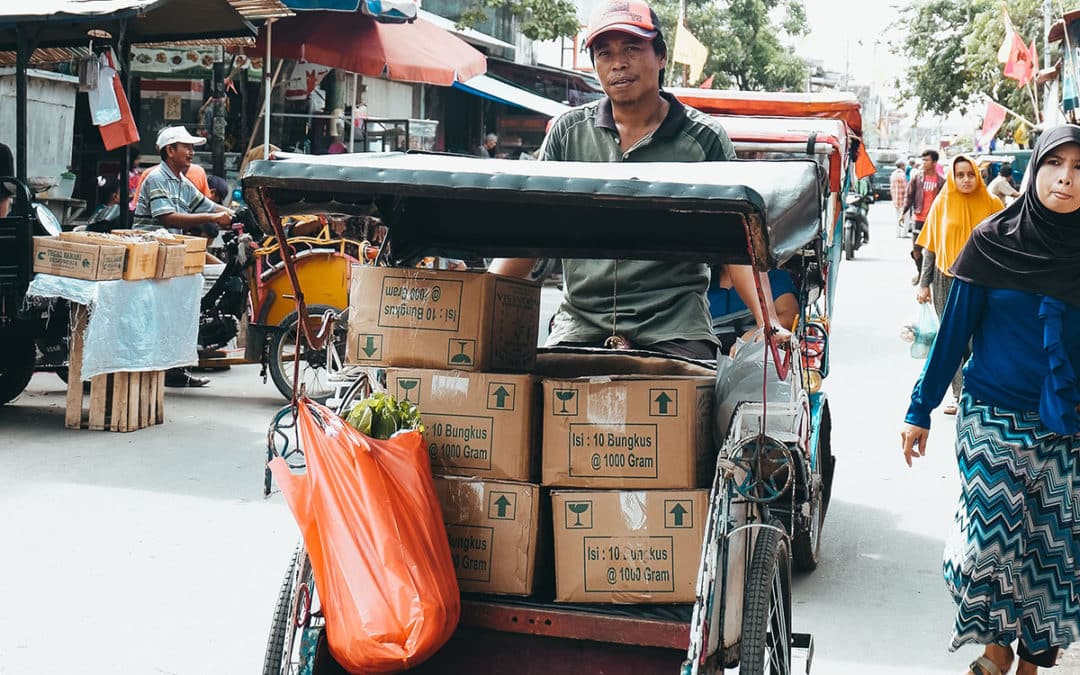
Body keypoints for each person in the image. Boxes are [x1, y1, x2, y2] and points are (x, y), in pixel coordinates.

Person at [489, 0, 786, 360]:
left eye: (631, 48)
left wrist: (769, 322)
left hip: (675, 328)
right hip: (581, 325)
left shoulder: (704, 139)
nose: (618, 63)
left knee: (703, 392)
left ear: (661, 56)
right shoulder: (568, 134)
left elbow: (738, 244)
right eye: (605, 53)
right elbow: (528, 235)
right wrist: (479, 298)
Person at [901, 125, 1080, 675]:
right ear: (1035, 169)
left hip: (1068, 427)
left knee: (1053, 550)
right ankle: (997, 647)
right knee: (991, 538)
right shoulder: (992, 241)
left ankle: (1030, 663)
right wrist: (920, 408)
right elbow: (953, 335)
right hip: (992, 415)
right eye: (1055, 164)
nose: (1066, 179)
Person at [134, 126, 234, 388]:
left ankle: (175, 370)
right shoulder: (157, 178)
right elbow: (167, 217)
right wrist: (213, 217)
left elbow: (208, 205)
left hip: (171, 256)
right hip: (150, 256)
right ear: (170, 150)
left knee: (179, 312)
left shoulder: (181, 182)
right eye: (186, 147)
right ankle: (164, 368)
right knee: (166, 314)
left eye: (191, 148)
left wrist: (235, 215)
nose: (191, 152)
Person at [913, 155, 1004, 414]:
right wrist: (924, 283)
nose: (966, 180)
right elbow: (931, 247)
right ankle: (957, 394)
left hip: (983, 280)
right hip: (946, 278)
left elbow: (1004, 245)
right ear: (953, 177)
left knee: (979, 336)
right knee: (951, 337)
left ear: (978, 175)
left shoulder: (993, 203)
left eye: (970, 174)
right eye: (960, 175)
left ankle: (977, 391)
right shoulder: (942, 203)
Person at [903, 149, 944, 278]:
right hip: (919, 219)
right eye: (923, 160)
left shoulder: (942, 182)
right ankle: (921, 273)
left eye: (927, 160)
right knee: (916, 251)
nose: (924, 163)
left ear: (934, 162)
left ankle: (927, 277)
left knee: (933, 252)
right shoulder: (917, 179)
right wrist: (903, 212)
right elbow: (909, 196)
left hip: (934, 222)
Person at [890, 159, 909, 232]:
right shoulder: (902, 175)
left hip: (896, 200)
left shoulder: (893, 174)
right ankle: (904, 233)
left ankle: (898, 232)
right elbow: (906, 188)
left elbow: (892, 188)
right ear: (902, 166)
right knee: (906, 217)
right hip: (903, 200)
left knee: (898, 217)